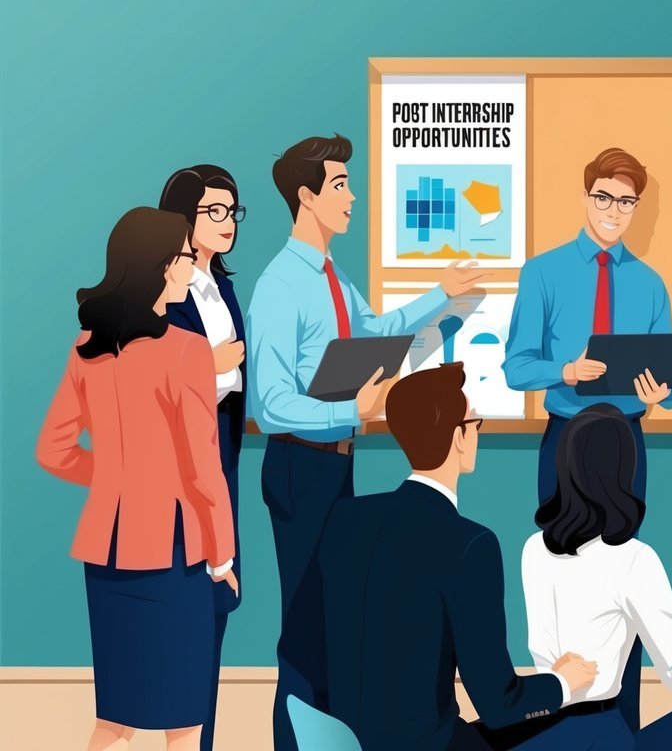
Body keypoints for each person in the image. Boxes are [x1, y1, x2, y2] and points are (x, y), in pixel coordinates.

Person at [247, 133, 488, 750]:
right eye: (339, 185)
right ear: (305, 197)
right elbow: (269, 403)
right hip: (301, 467)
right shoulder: (280, 284)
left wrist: (446, 302)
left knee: (334, 621)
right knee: (305, 627)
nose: (352, 196)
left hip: (336, 467)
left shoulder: (333, 274)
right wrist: (345, 412)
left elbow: (375, 333)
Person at [36, 207, 238, 751]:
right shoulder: (186, 350)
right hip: (175, 552)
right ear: (158, 267)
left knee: (117, 717)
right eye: (181, 258)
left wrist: (116, 477)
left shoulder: (86, 346)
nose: (189, 268)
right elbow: (203, 469)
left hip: (106, 548)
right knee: (184, 719)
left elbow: (54, 451)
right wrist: (223, 558)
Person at [318, 364, 596, 751]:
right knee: (585, 728)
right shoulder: (470, 544)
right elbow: (499, 703)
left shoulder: (346, 519)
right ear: (459, 436)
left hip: (340, 741)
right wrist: (563, 682)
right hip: (426, 743)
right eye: (474, 423)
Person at [503, 148, 672, 730]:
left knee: (622, 589)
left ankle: (620, 724)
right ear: (586, 197)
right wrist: (565, 371)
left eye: (627, 202)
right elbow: (515, 367)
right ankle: (557, 722)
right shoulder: (544, 273)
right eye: (604, 197)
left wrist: (662, 396)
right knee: (557, 581)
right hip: (565, 441)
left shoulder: (651, 284)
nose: (614, 211)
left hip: (626, 443)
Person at [518, 404, 672, 750]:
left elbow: (544, 656)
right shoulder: (634, 558)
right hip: (602, 731)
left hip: (545, 728)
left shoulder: (533, 549)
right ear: (625, 471)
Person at [158, 165, 247, 751]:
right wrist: (208, 367)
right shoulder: (161, 292)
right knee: (185, 611)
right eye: (213, 211)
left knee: (219, 604)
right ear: (182, 218)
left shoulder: (224, 286)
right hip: (182, 457)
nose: (226, 222)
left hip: (226, 450)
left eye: (232, 211)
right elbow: (151, 374)